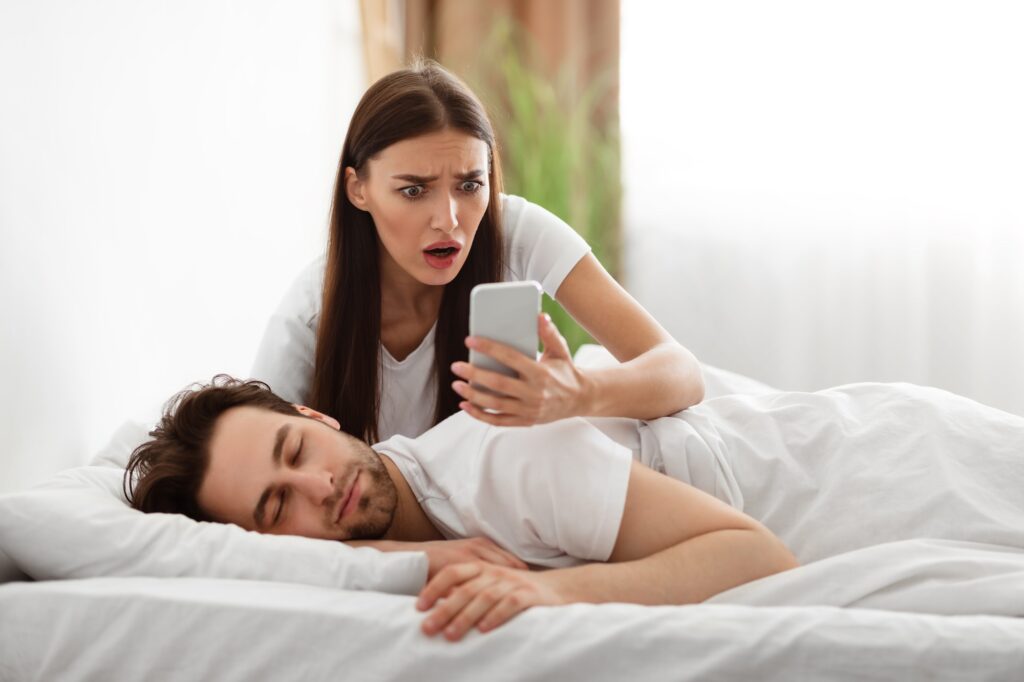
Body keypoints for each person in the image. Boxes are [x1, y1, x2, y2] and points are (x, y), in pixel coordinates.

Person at [124, 376, 799, 642]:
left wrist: (548, 592)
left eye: (298, 450)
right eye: (276, 507)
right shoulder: (393, 539)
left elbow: (760, 556)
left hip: (807, 463)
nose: (321, 488)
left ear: (316, 416)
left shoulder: (504, 458)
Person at [250, 60, 705, 445]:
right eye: (413, 191)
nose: (448, 219)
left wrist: (576, 392)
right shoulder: (308, 318)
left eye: (469, 185)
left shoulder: (514, 230)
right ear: (358, 189)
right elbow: (256, 473)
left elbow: (682, 372)